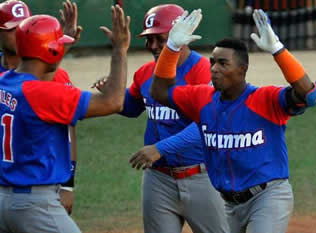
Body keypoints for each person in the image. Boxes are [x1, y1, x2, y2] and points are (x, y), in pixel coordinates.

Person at [131, 9, 316, 233]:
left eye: (223, 63)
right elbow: (160, 92)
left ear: (243, 69)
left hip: (268, 197)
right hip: (229, 205)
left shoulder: (265, 99)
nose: (214, 69)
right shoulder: (201, 98)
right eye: (212, 62)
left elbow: (310, 95)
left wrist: (278, 51)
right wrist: (171, 49)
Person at [93, 4, 228, 233]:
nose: (153, 46)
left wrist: (160, 148)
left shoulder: (204, 71)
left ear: (180, 37)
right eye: (149, 40)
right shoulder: (146, 73)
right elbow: (130, 107)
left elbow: (207, 124)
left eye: (160, 39)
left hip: (202, 177)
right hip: (158, 179)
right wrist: (112, 91)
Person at [0, 4, 130, 233]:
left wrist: (58, 47)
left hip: (5, 199)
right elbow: (113, 102)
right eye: (57, 47)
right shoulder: (43, 94)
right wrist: (120, 48)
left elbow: (38, 69)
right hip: (35, 205)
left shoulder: (6, 82)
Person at [0, 0, 82, 215]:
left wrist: (67, 184)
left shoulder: (57, 76)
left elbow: (67, 130)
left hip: (37, 186)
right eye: (11, 29)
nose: (19, 33)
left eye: (22, 26)